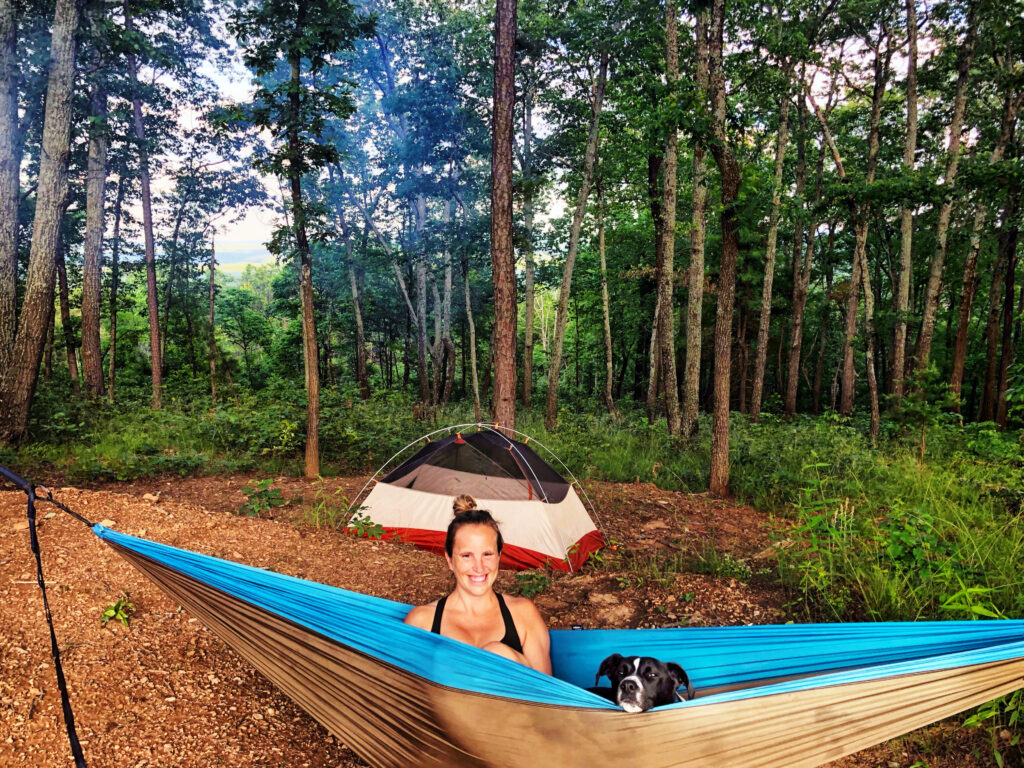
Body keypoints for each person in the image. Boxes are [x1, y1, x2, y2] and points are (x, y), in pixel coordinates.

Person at [404, 495, 551, 674]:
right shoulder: (421, 621)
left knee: (497, 653)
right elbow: (406, 692)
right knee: (446, 654)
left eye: (487, 554)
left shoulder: (522, 614)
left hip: (514, 701)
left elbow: (546, 694)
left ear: (498, 556)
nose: (479, 567)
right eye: (467, 555)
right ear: (449, 560)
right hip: (448, 700)